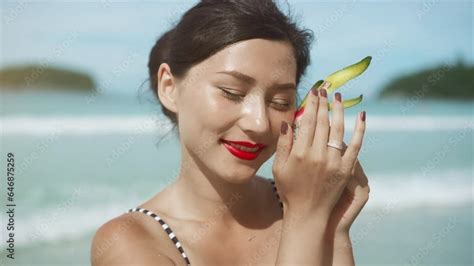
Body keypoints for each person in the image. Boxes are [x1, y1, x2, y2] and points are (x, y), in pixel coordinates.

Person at [91, 0, 370, 265]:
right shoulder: (129, 241)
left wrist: (334, 228)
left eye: (280, 102)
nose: (259, 123)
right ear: (169, 87)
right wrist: (305, 219)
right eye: (232, 92)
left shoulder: (312, 207)